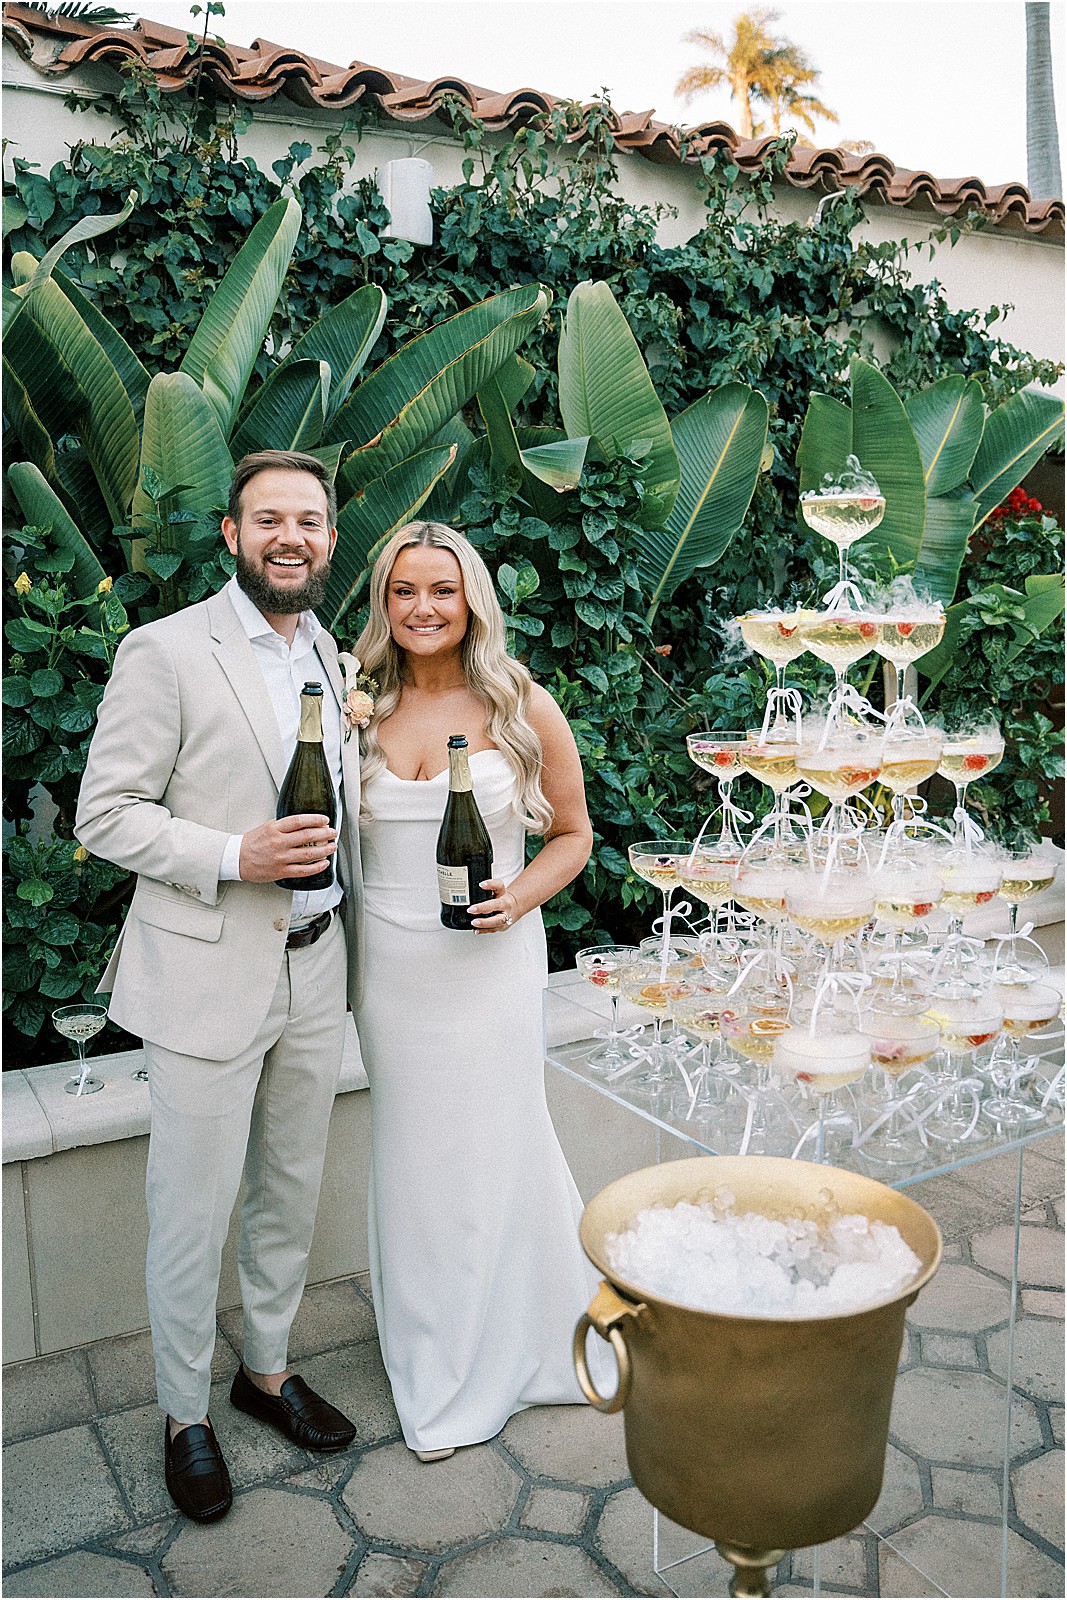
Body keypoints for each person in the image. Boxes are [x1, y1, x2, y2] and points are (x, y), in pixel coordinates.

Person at [75, 450, 363, 1523]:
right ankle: (181, 1414)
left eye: (310, 520)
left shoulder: (329, 650)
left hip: (317, 959)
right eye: (269, 519)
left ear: (329, 539)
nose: (291, 536)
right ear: (233, 535)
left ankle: (268, 1372)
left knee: (289, 1187)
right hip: (206, 969)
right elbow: (105, 813)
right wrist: (233, 853)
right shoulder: (165, 651)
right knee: (190, 1211)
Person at [352, 520, 604, 1460]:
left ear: (471, 604)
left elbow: (574, 834)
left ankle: (532, 1344)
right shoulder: (353, 705)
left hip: (491, 966)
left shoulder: (516, 701)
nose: (422, 608)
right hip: (392, 968)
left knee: (499, 1143)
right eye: (403, 590)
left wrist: (520, 897)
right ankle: (436, 1355)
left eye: (442, 591)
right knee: (416, 1159)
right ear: (382, 600)